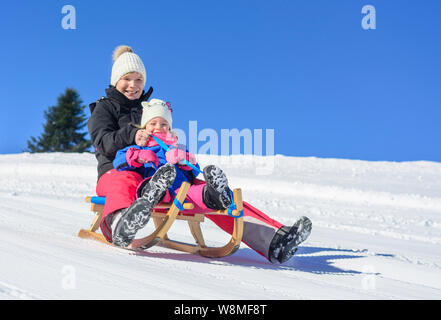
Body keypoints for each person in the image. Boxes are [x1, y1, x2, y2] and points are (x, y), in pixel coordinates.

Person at [108, 98, 312, 264]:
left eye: (164, 124)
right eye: (153, 123)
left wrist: (185, 160)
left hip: (182, 188)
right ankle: (148, 200)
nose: (158, 127)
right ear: (144, 127)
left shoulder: (178, 147)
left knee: (205, 193)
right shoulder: (141, 146)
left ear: (170, 128)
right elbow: (120, 160)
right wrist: (139, 156)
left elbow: (191, 169)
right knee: (155, 185)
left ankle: (215, 195)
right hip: (155, 187)